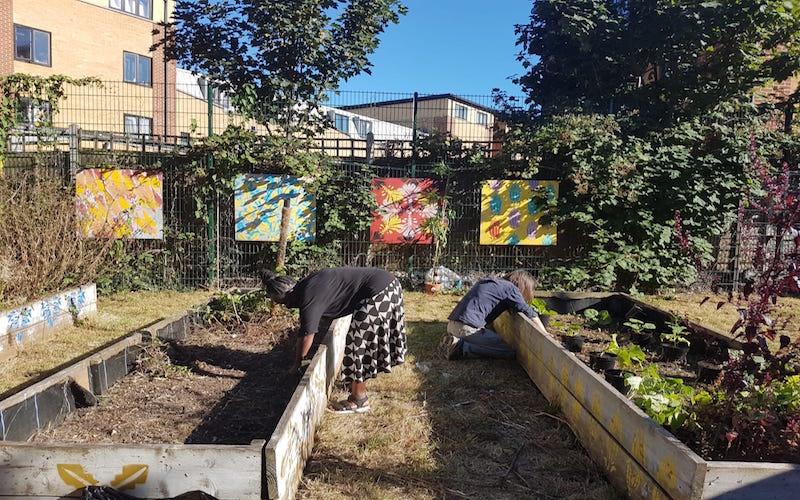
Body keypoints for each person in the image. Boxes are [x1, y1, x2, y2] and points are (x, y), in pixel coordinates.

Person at [260, 267, 407, 414]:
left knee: (359, 343)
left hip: (380, 292)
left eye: (283, 302)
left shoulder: (308, 296)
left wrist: (297, 364)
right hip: (388, 284)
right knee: (358, 339)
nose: (286, 306)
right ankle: (354, 385)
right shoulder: (309, 284)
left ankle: (359, 399)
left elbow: (307, 333)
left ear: (289, 293)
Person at [440, 270, 547, 360]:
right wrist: (545, 333)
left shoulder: (492, 282)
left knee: (491, 340)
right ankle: (460, 347)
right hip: (466, 329)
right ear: (524, 286)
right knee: (509, 351)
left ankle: (454, 339)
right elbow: (529, 312)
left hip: (452, 324)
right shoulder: (511, 289)